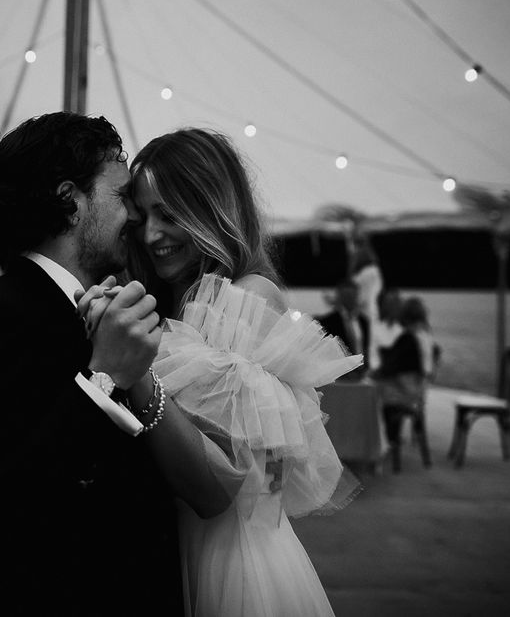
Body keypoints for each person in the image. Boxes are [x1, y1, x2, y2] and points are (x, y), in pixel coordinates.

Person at [0, 112, 231, 615]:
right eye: (121, 198)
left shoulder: (105, 307)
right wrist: (104, 379)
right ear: (70, 201)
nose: (137, 219)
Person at [107, 128, 363, 617]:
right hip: (182, 538)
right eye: (143, 216)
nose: (151, 235)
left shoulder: (244, 296)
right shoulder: (177, 296)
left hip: (225, 551)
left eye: (170, 213)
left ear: (212, 208)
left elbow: (250, 470)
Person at [372, 296, 436, 463]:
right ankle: (387, 439)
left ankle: (381, 442)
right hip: (418, 389)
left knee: (369, 396)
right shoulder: (425, 334)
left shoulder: (409, 337)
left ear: (404, 317)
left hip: (405, 390)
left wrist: (377, 372)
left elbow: (395, 367)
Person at [315, 278, 369, 379]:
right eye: (346, 296)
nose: (349, 299)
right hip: (339, 374)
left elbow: (365, 347)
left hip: (361, 373)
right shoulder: (328, 322)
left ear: (357, 296)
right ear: (340, 297)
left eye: (352, 295)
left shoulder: (364, 322)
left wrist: (366, 367)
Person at [348, 234, 383, 326]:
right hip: (370, 313)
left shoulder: (367, 273)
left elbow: (360, 297)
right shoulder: (373, 270)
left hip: (366, 314)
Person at [368, 286, 403, 372]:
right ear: (384, 306)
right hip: (380, 374)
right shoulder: (374, 327)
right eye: (390, 304)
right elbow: (372, 354)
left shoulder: (405, 329)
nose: (393, 307)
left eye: (396, 304)